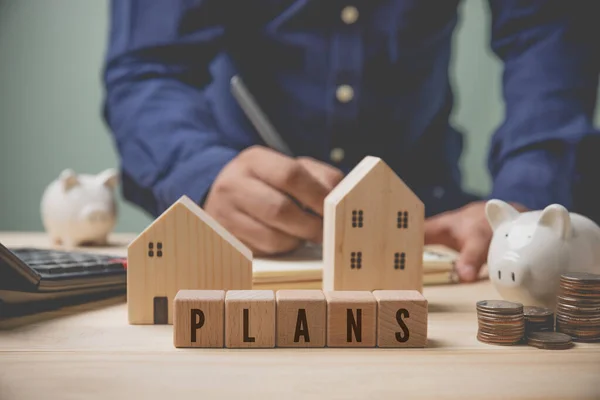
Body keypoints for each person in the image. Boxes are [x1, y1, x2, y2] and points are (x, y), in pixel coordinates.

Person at [102, 1, 599, 283]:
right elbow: (148, 68)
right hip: (240, 233)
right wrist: (202, 173)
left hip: (441, 233)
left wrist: (524, 209)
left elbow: (548, 34)